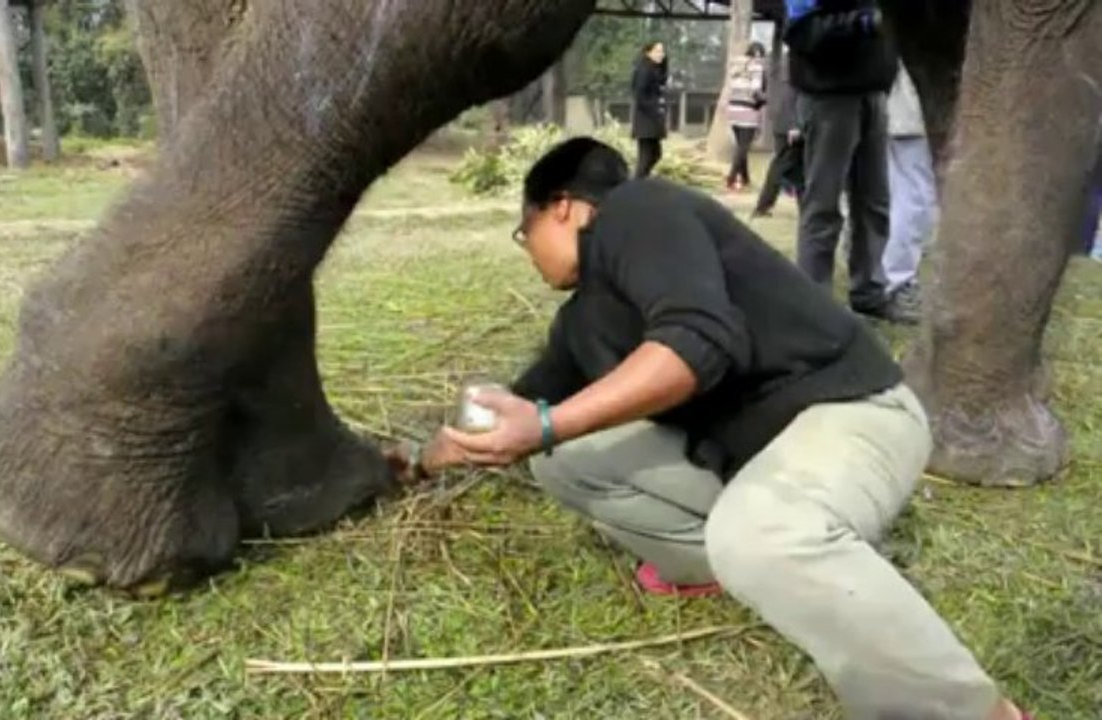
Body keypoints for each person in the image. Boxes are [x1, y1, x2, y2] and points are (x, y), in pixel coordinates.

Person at [389, 138, 1032, 720]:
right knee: (561, 457)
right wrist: (426, 455)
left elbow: (697, 344)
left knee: (759, 532)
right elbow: (523, 413)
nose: (527, 252)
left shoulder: (638, 210)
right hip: (756, 458)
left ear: (560, 207)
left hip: (851, 411)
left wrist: (549, 421)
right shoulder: (583, 322)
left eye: (521, 233)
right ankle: (707, 563)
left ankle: (972, 714)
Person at [785, 0, 917, 323]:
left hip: (873, 93)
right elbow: (803, 32)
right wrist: (864, 23)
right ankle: (814, 303)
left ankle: (870, 292)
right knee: (823, 205)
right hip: (829, 97)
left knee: (874, 203)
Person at [881, 61, 936, 313]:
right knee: (916, 200)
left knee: (902, 196)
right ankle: (898, 280)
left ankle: (891, 276)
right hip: (914, 114)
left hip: (901, 111)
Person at [752, 48, 805, 218]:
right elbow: (789, 95)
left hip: (782, 122)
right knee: (782, 165)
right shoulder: (792, 62)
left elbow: (766, 94)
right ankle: (763, 205)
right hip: (790, 125)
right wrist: (794, 124)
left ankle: (805, 208)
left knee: (798, 168)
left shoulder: (777, 61)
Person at [724, 42, 769, 191]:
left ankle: (745, 178)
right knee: (743, 147)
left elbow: (731, 86)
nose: (761, 60)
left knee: (741, 146)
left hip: (733, 109)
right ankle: (731, 178)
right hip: (748, 111)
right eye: (761, 57)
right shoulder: (757, 67)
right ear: (759, 56)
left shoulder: (736, 66)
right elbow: (755, 91)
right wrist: (764, 100)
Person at [631, 41, 668, 179]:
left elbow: (662, 81)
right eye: (657, 51)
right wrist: (655, 110)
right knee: (646, 156)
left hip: (652, 119)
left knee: (655, 154)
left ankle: (641, 181)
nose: (661, 54)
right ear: (648, 52)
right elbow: (639, 95)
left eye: (662, 51)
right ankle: (637, 185)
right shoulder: (644, 69)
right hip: (645, 119)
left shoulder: (654, 68)